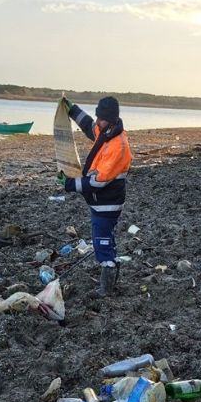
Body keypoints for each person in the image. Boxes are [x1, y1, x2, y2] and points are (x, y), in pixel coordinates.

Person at [58, 96, 132, 297]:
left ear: (112, 118)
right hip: (103, 203)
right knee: (106, 239)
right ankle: (111, 281)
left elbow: (98, 181)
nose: (99, 122)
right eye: (99, 117)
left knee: (102, 242)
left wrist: (70, 184)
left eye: (102, 118)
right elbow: (89, 126)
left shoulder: (118, 146)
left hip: (107, 204)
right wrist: (73, 110)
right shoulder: (108, 132)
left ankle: (105, 290)